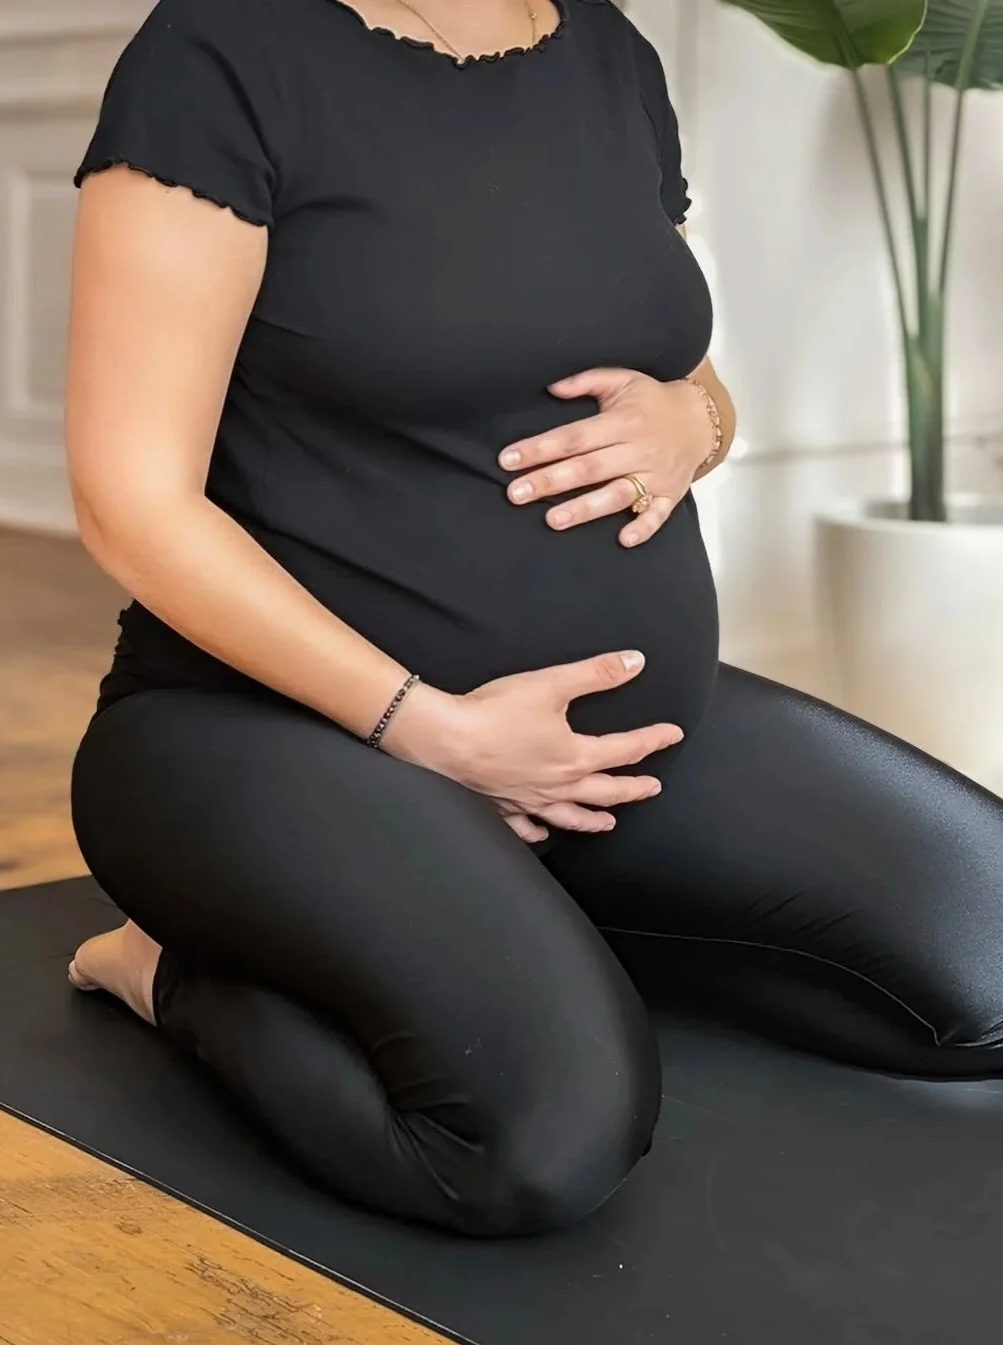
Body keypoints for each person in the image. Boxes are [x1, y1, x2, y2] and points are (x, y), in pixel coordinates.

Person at [65, 0, 1003, 1239]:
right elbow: (130, 500)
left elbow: (670, 354)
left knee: (989, 962)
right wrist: (432, 730)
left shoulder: (609, 56)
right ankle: (165, 964)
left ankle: (519, 919)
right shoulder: (224, 54)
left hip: (612, 759)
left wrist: (695, 422)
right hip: (265, 729)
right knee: (533, 1143)